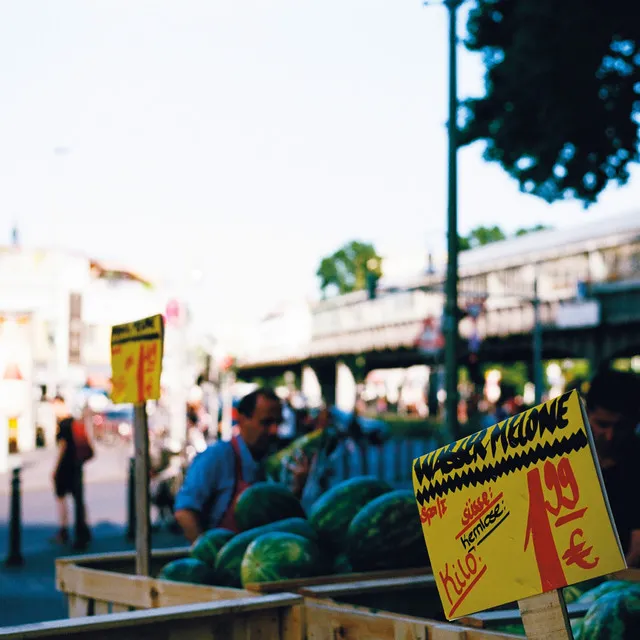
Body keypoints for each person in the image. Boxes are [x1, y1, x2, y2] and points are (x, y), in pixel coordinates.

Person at [173, 387, 282, 542]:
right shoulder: (216, 457)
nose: (274, 430)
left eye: (278, 422)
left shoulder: (273, 462)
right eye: (266, 422)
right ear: (242, 419)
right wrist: (208, 554)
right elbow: (184, 511)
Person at [585, 369, 640, 567]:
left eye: (621, 427)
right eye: (602, 424)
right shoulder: (567, 457)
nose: (609, 436)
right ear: (586, 413)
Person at [51, 395, 92, 550]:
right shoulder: (73, 421)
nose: (54, 410)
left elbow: (63, 447)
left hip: (66, 466)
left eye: (55, 406)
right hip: (77, 465)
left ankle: (64, 530)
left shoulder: (64, 423)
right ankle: (83, 532)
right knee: (78, 499)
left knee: (62, 498)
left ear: (61, 404)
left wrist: (55, 468)